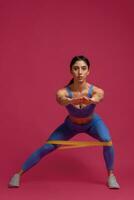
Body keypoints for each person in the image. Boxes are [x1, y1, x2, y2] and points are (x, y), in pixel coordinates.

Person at [8, 55, 120, 189]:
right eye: (76, 68)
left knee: (107, 140)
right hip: (71, 126)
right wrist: (71, 101)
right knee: (47, 147)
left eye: (83, 68)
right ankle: (18, 174)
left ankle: (111, 176)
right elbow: (61, 100)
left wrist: (91, 100)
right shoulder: (63, 92)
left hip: (92, 124)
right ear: (71, 71)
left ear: (88, 71)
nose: (80, 72)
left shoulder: (96, 90)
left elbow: (98, 97)